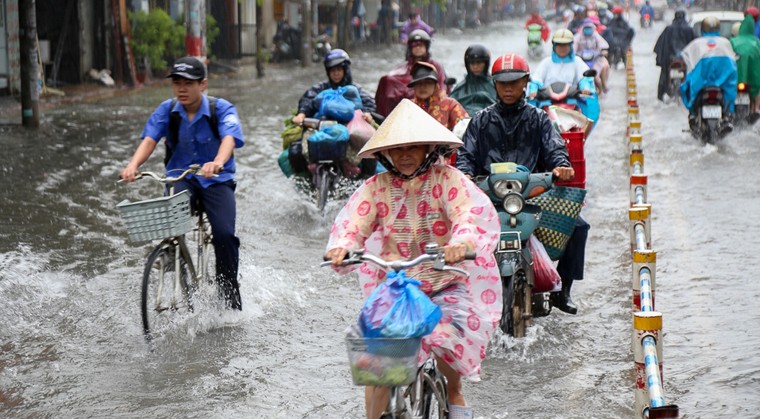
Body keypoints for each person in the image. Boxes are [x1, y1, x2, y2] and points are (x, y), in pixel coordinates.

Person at [325, 99, 502, 419]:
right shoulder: (376, 187)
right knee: (376, 368)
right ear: (386, 153)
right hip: (398, 287)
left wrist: (460, 244)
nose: (405, 155)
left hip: (444, 284)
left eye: (413, 147)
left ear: (427, 148)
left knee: (450, 368)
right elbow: (355, 224)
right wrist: (343, 247)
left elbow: (465, 216)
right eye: (398, 148)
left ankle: (453, 399)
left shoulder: (447, 180)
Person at [456, 53, 588, 315]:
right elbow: (466, 156)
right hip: (488, 198)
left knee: (579, 225)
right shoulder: (480, 120)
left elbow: (555, 150)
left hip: (532, 194)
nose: (508, 87)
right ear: (494, 83)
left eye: (514, 82)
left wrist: (561, 167)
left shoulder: (539, 119)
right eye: (502, 82)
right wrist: (465, 176)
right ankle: (460, 293)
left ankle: (563, 292)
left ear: (526, 81)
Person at [120, 57, 245, 310]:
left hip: (215, 181)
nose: (182, 89)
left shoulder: (222, 109)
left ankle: (229, 296)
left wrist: (218, 162)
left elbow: (229, 139)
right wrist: (133, 165)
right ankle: (179, 267)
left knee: (224, 234)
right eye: (177, 83)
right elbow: (150, 140)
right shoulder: (167, 110)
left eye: (189, 83)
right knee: (171, 227)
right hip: (181, 178)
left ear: (203, 84)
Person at [680, 16, 738, 134]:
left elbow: (687, 62)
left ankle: (693, 115)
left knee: (688, 93)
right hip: (722, 85)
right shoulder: (725, 43)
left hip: (701, 85)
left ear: (702, 29)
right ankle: (726, 117)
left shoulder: (695, 44)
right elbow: (732, 65)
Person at [374, 29, 449, 116]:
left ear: (426, 46)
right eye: (414, 45)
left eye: (420, 45)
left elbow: (442, 85)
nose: (417, 48)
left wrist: (442, 93)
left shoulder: (436, 65)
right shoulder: (403, 67)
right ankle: (386, 118)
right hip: (408, 102)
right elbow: (391, 79)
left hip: (431, 101)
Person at [292, 49, 376, 126]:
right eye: (333, 70)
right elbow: (307, 100)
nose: (336, 73)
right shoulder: (320, 88)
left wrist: (367, 114)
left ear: (345, 71)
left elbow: (369, 103)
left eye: (339, 70)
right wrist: (301, 114)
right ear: (328, 72)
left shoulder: (354, 90)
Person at [531, 29, 593, 96]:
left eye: (565, 45)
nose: (562, 48)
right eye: (559, 45)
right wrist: (533, 89)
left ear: (570, 46)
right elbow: (536, 78)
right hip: (547, 100)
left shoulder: (577, 61)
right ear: (554, 46)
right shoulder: (546, 62)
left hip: (572, 99)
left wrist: (585, 87)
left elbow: (584, 78)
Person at [409, 62, 469, 130]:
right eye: (418, 83)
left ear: (435, 85)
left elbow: (465, 128)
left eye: (428, 82)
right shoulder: (408, 106)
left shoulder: (450, 104)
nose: (423, 87)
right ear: (413, 87)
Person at [653, 8, 695, 101]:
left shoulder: (668, 29)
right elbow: (695, 45)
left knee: (664, 76)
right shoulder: (689, 29)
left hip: (670, 60)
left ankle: (661, 95)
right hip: (684, 61)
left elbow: (660, 45)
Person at [449, 45, 498, 116]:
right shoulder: (461, 87)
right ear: (467, 65)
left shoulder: (495, 85)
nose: (475, 67)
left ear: (486, 64)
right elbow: (450, 107)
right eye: (472, 63)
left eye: (479, 63)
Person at [729, 14, 760, 119]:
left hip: (736, 80)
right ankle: (755, 109)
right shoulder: (756, 42)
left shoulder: (733, 42)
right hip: (752, 82)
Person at [574, 18, 610, 94]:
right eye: (586, 28)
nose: (588, 30)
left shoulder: (596, 36)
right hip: (582, 60)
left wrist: (603, 51)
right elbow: (573, 46)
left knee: (596, 77)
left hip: (595, 60)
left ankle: (601, 91)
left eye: (589, 28)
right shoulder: (578, 37)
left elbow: (603, 44)